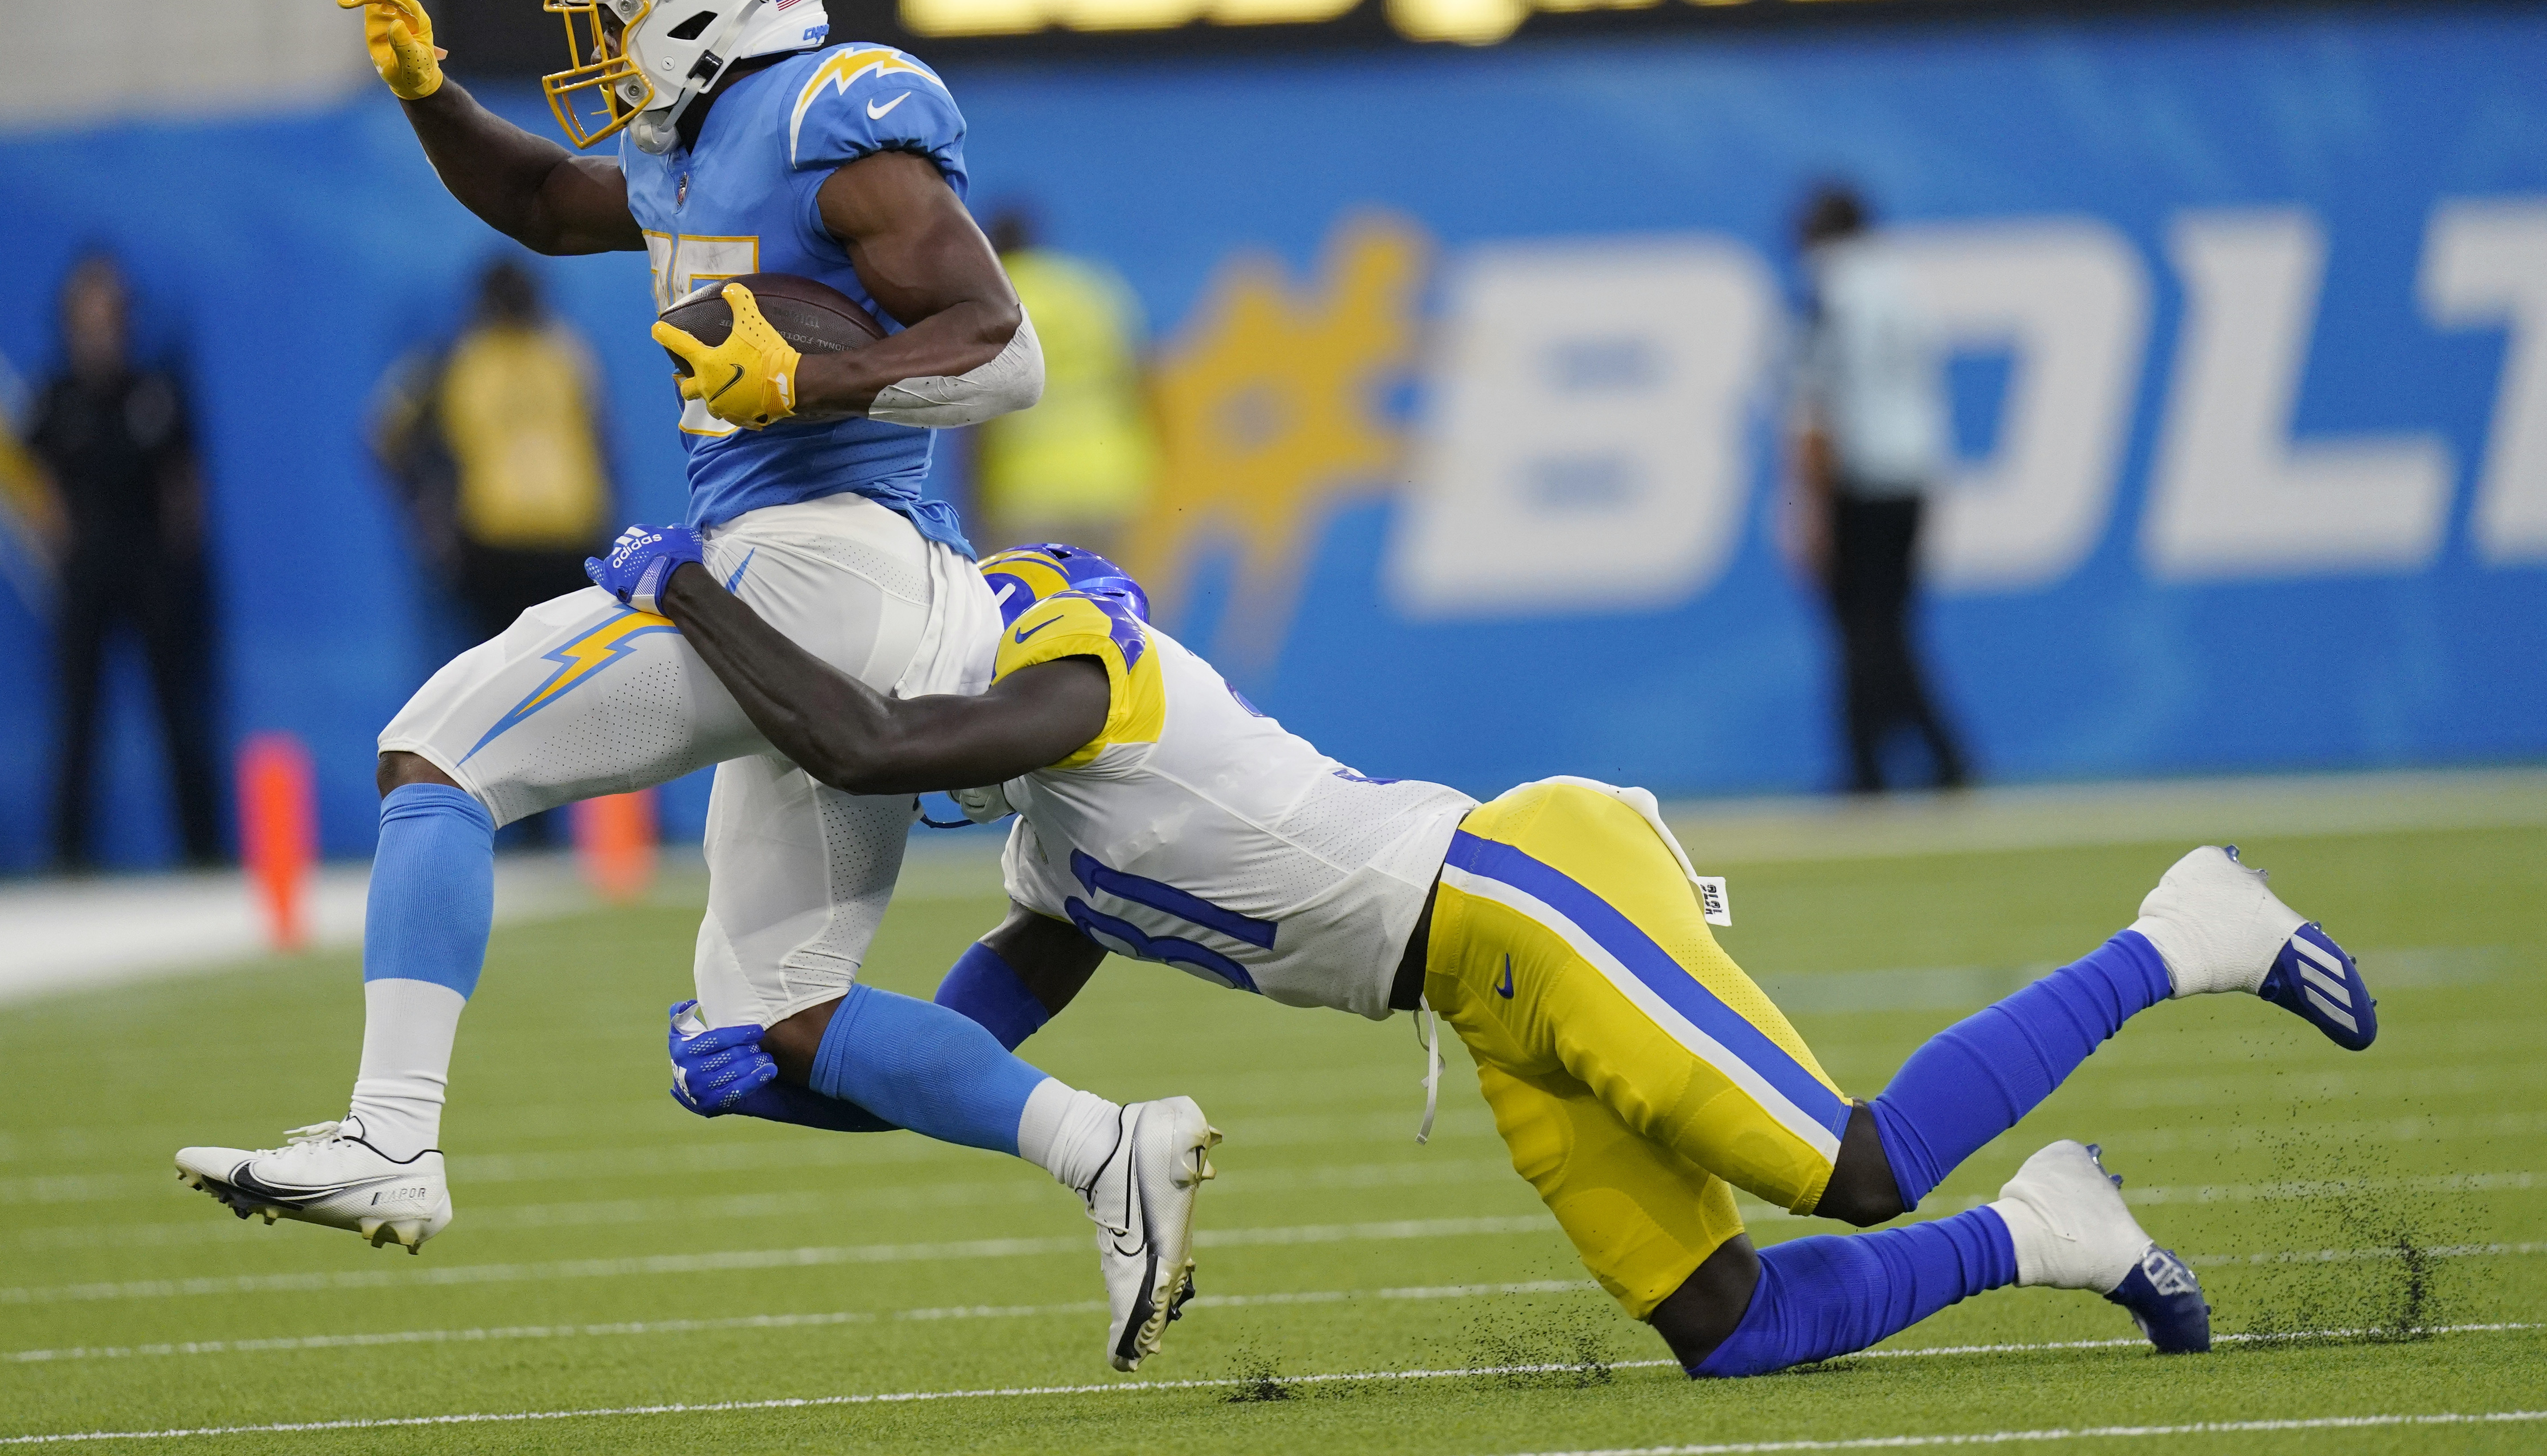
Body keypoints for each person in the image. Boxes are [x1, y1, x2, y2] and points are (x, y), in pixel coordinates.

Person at [171, 0, 1219, 1369]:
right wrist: (426, 92)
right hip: (831, 578)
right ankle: (1106, 1150)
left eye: (619, 18)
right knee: (772, 1018)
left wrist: (810, 377)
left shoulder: (823, 116)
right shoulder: (696, 142)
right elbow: (540, 200)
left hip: (814, 560)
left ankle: (396, 1132)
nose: (602, 52)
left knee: (439, 746)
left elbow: (1005, 355)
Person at [618, 529, 2383, 1379]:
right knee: (1728, 1321)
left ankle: (2181, 926)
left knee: (1852, 1164)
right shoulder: (1047, 852)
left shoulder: (1090, 672)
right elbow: (949, 1066)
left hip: (1523, 892)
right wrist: (771, 1065)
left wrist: (691, 595)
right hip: (1473, 988)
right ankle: (2046, 1226)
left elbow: (861, 743)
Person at [26, 254, 222, 868]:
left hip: (152, 569)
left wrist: (180, 558)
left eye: (112, 311)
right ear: (70, 320)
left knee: (177, 711)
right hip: (87, 569)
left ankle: (202, 853)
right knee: (79, 717)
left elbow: (184, 482)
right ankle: (69, 858)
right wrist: (58, 545)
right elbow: (36, 482)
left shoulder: (154, 392)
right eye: (90, 312)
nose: (102, 324)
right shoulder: (55, 399)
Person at [1787, 184, 1970, 793]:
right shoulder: (1903, 282)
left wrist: (1811, 506)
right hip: (1914, 472)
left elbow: (1817, 407)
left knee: (1861, 630)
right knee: (1889, 623)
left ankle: (1883, 767)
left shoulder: (1826, 288)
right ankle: (1915, 760)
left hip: (1857, 477)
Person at [371, 258, 615, 647]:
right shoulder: (565, 353)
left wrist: (425, 513)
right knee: (550, 669)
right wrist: (430, 514)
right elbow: (387, 437)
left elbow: (386, 435)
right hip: (538, 537)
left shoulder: (462, 355)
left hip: (525, 538)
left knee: (518, 667)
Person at [972, 207, 1158, 556]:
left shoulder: (995, 301)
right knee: (1108, 606)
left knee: (1025, 609)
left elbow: (976, 412)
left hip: (1025, 491)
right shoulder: (1089, 290)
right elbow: (1142, 381)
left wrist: (974, 500)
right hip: (1110, 486)